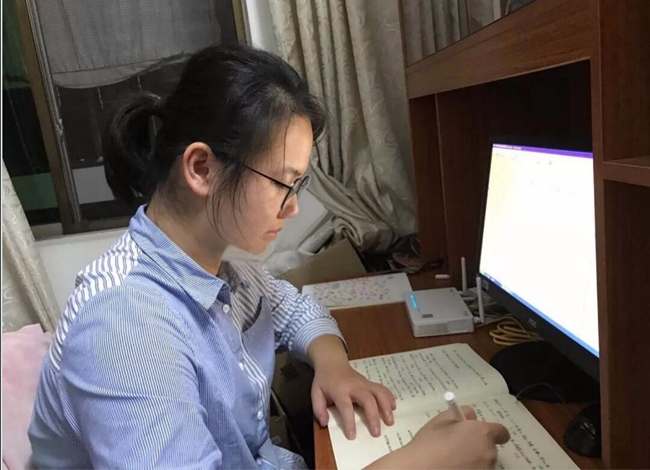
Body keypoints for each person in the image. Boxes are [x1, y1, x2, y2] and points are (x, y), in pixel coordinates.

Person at [29, 44, 509, 469]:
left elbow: (298, 310)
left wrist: (332, 364)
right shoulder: (126, 325)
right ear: (202, 168)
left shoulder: (225, 272)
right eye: (284, 182)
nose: (293, 206)